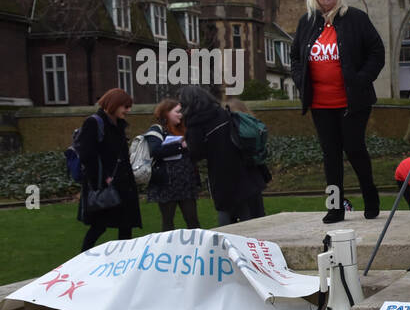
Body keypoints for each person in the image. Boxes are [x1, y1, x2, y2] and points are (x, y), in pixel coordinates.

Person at [291, 0, 386, 223]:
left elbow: (376, 52)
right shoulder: (306, 23)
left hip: (353, 102)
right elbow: (296, 58)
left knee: (355, 149)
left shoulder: (356, 19)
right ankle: (335, 207)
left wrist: (360, 79)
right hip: (321, 104)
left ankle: (370, 198)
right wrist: (302, 82)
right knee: (330, 155)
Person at [179, 85, 267, 226]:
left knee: (225, 211)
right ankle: (252, 242)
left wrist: (185, 145)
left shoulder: (195, 123)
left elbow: (196, 153)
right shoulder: (221, 112)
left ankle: (228, 242)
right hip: (242, 168)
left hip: (221, 172)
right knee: (246, 210)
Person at [75, 88, 142, 251]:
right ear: (114, 104)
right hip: (106, 184)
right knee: (99, 225)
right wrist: (102, 179)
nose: (128, 110)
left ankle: (123, 260)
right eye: (125, 107)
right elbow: (86, 155)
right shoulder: (94, 122)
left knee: (126, 225)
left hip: (123, 183)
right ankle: (82, 258)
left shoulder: (118, 125)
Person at [144, 98, 201, 231]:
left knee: (193, 221)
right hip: (167, 184)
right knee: (168, 223)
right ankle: (168, 250)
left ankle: (197, 249)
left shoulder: (184, 129)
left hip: (186, 182)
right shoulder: (157, 130)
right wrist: (180, 146)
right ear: (166, 112)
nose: (181, 115)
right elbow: (155, 151)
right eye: (177, 112)